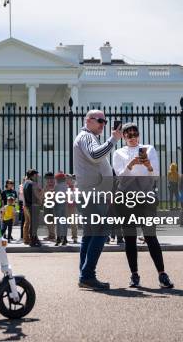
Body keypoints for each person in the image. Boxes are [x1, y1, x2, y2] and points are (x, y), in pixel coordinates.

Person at [112, 122, 174, 288]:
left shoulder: (149, 149)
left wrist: (147, 165)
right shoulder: (118, 153)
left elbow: (155, 174)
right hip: (126, 199)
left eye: (135, 134)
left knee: (150, 236)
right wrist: (131, 164)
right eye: (129, 135)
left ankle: (162, 274)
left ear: (139, 134)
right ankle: (134, 275)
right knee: (130, 238)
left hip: (146, 197)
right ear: (123, 137)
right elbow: (121, 178)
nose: (133, 138)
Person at [74, 109, 122, 290]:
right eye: (99, 120)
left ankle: (84, 274)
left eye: (105, 121)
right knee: (101, 233)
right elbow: (95, 156)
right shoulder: (86, 137)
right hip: (92, 195)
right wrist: (114, 139)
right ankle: (87, 274)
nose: (103, 124)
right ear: (88, 121)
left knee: (90, 235)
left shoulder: (89, 138)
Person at [23, 169, 41, 247]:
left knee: (29, 223)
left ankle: (33, 239)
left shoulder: (25, 183)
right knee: (34, 225)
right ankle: (33, 241)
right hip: (33, 206)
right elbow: (36, 195)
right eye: (36, 175)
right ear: (33, 175)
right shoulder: (32, 183)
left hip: (27, 205)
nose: (37, 176)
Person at [53, 172, 68, 246]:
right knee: (64, 222)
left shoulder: (57, 186)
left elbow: (54, 196)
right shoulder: (66, 186)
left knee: (58, 222)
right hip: (65, 204)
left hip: (58, 204)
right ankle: (64, 238)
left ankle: (58, 238)